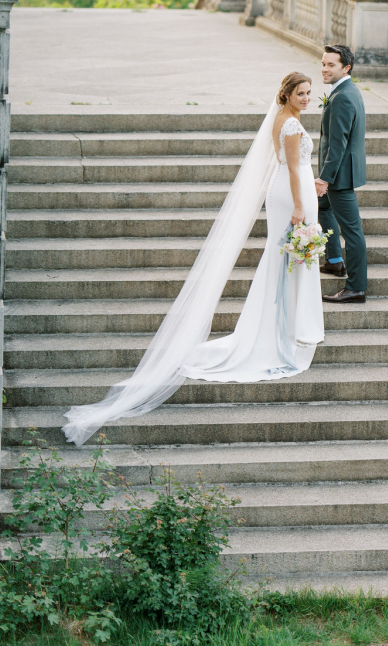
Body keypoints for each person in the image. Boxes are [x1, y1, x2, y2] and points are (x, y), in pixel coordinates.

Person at [62, 72, 324, 447]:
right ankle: (283, 334)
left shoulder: (281, 119)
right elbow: (292, 166)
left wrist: (306, 182)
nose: (307, 99)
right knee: (290, 260)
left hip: (285, 189)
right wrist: (301, 203)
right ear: (287, 94)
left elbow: (287, 164)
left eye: (309, 94)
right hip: (292, 198)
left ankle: (281, 328)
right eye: (301, 93)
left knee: (282, 259)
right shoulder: (294, 124)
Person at [315, 44, 367, 304]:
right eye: (323, 63)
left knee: (353, 232)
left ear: (346, 67)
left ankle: (356, 287)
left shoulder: (343, 96)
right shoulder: (344, 90)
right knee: (322, 209)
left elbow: (339, 143)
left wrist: (324, 178)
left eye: (331, 64)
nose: (324, 68)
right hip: (336, 171)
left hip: (339, 176)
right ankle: (334, 261)